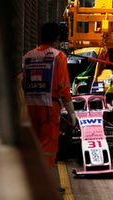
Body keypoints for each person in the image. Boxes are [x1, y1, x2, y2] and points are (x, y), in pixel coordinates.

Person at [22, 22, 76, 170]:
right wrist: (71, 113)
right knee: (48, 146)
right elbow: (64, 88)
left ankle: (33, 178)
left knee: (34, 143)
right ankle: (45, 184)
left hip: (30, 106)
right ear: (57, 38)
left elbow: (24, 84)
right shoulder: (59, 56)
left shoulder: (27, 56)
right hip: (49, 108)